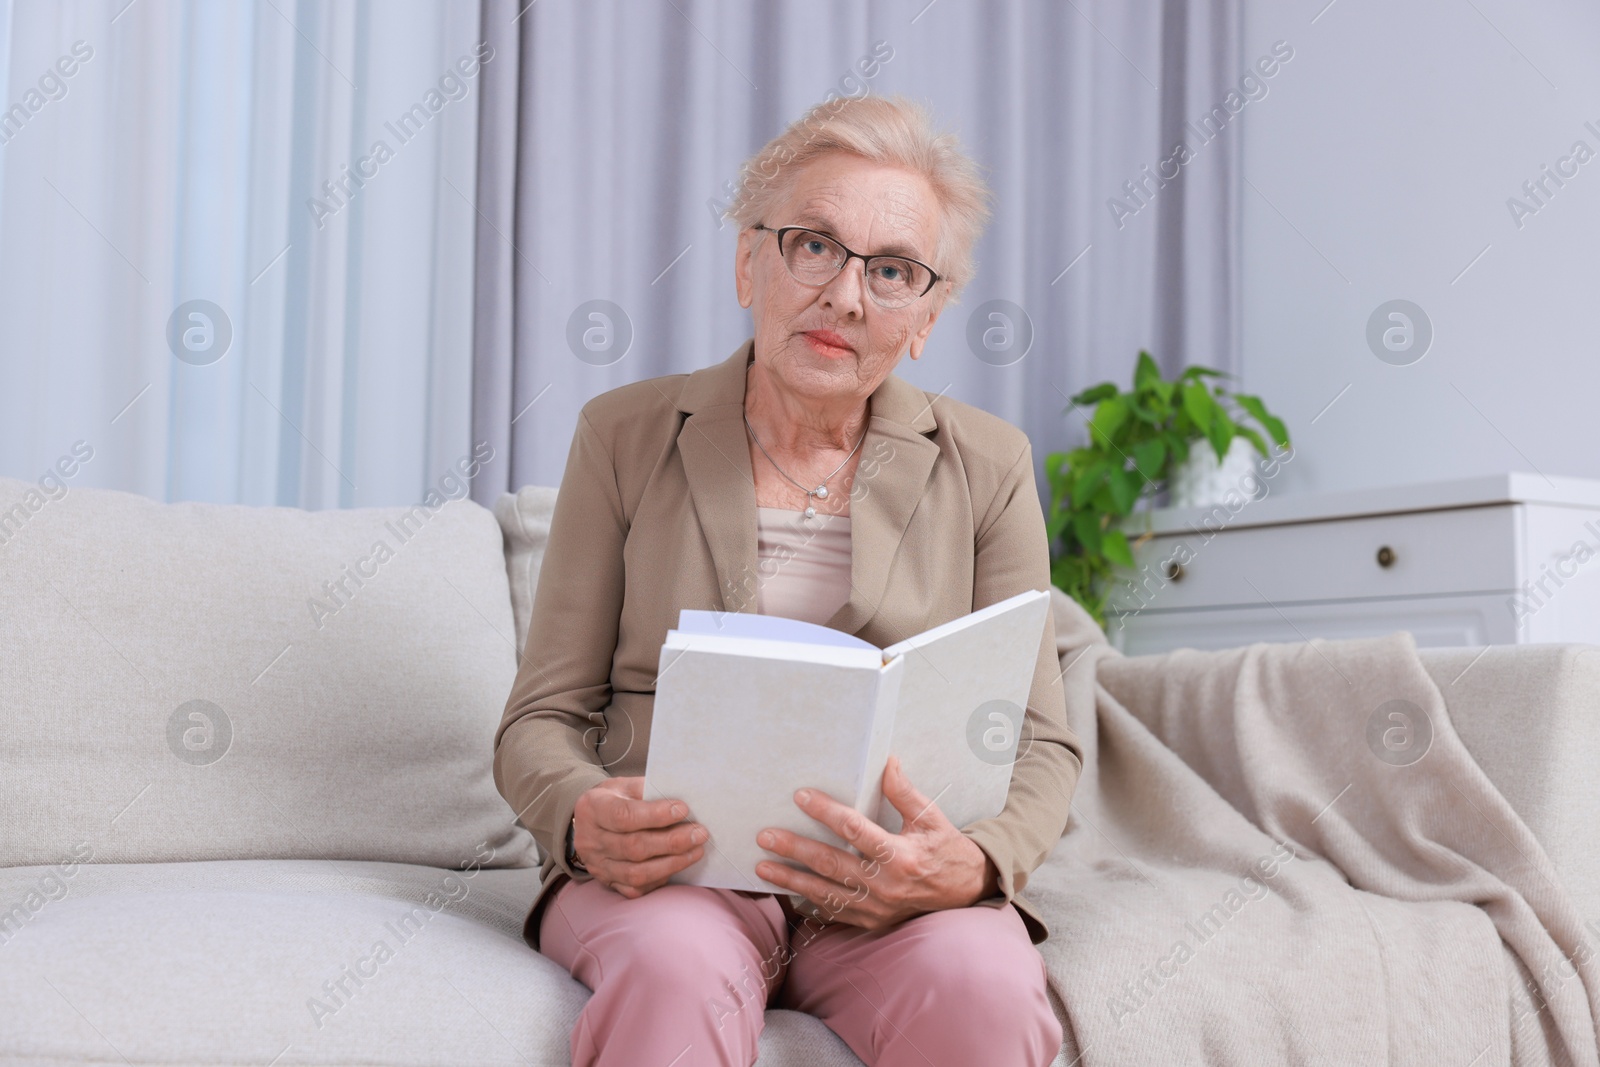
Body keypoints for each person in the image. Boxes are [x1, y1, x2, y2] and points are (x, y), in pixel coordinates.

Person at [493, 94, 1083, 1067]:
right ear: (747, 261)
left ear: (927, 315)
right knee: (678, 971)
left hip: (886, 887)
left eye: (892, 271)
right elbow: (539, 717)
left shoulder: (990, 461)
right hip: (674, 879)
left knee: (986, 985)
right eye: (813, 244)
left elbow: (1044, 741)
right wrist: (578, 811)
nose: (846, 295)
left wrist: (973, 861)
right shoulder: (624, 434)